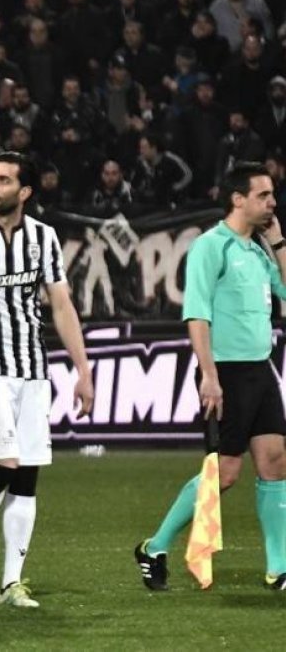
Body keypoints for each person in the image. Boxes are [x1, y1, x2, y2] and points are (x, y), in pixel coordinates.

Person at [135, 162, 286, 592]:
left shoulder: (258, 249)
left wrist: (277, 241)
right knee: (225, 472)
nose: (272, 201)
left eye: (273, 194)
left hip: (261, 369)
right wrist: (209, 375)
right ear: (238, 199)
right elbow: (197, 314)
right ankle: (155, 546)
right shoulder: (210, 247)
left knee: (275, 463)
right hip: (228, 373)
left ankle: (279, 567)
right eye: (263, 194)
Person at [0, 153, 94, 608]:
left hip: (33, 369)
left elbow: (61, 306)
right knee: (4, 463)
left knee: (26, 476)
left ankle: (10, 583)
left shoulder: (43, 239)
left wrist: (83, 371)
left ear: (24, 192)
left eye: (3, 180)